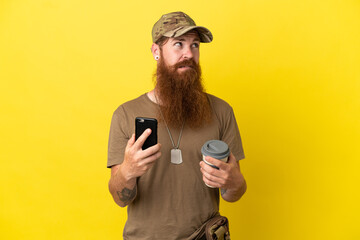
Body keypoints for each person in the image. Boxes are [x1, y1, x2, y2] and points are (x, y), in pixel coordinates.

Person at [107, 11, 247, 240]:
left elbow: (234, 193)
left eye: (195, 45)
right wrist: (128, 171)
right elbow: (120, 198)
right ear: (156, 52)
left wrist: (234, 182)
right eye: (178, 44)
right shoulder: (125, 114)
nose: (188, 54)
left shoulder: (222, 111)